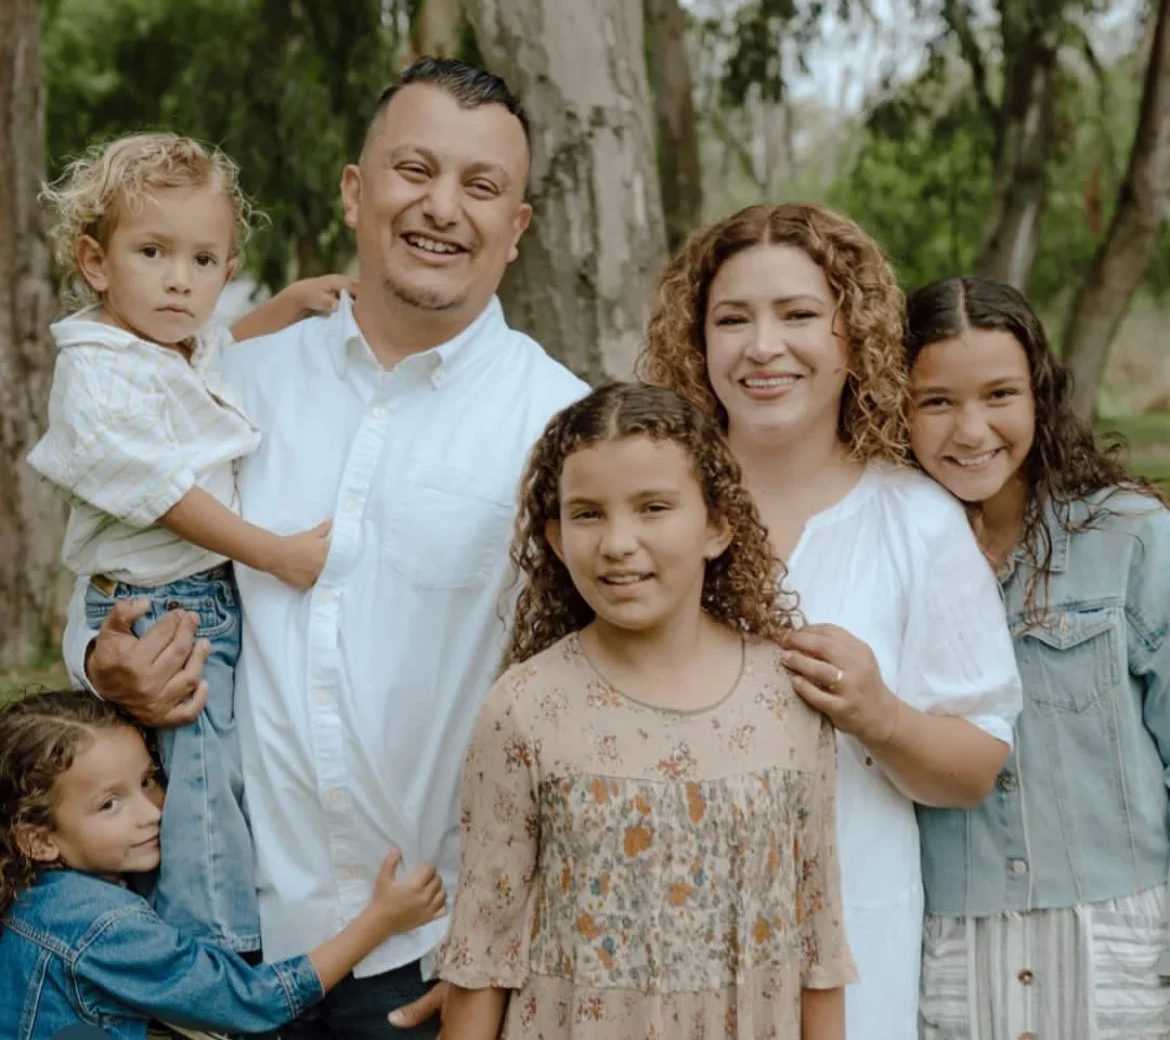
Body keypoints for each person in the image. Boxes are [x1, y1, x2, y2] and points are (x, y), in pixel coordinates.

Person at [63, 58, 588, 1038]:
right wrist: (104, 661)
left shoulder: (561, 424)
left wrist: (505, 932)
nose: (442, 207)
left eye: (481, 187)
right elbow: (109, 573)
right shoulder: (227, 384)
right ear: (357, 189)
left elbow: (594, 696)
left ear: (517, 229)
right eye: (414, 170)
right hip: (212, 939)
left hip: (427, 956)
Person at [638, 202, 1023, 1040]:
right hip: (656, 956)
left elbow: (977, 764)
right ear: (698, 343)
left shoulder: (915, 520)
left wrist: (880, 715)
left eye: (800, 315)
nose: (763, 346)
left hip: (850, 964)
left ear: (852, 339)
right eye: (732, 318)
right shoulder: (651, 509)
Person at [437, 382, 856, 1040]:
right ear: (554, 535)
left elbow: (818, 941)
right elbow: (482, 958)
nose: (618, 542)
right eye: (588, 514)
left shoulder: (786, 698)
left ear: (718, 526)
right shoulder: (524, 709)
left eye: (653, 507)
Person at [29, 132, 354, 958]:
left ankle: (149, 930)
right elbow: (165, 495)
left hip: (193, 594)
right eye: (154, 252)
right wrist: (271, 552)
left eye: (206, 260)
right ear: (96, 264)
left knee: (187, 779)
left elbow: (228, 345)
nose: (182, 278)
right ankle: (212, 954)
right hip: (161, 605)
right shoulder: (97, 372)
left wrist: (292, 303)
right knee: (202, 779)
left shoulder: (172, 345)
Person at [906, 276, 1170, 1039]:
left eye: (999, 395)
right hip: (955, 951)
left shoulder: (1131, 537)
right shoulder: (895, 555)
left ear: (1039, 396)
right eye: (937, 402)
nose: (971, 429)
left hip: (1121, 947)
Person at [0, 690, 446, 1040]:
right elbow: (250, 1000)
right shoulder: (101, 924)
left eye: (147, 781)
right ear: (38, 840)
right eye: (110, 804)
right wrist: (381, 919)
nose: (152, 812)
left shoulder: (37, 903)